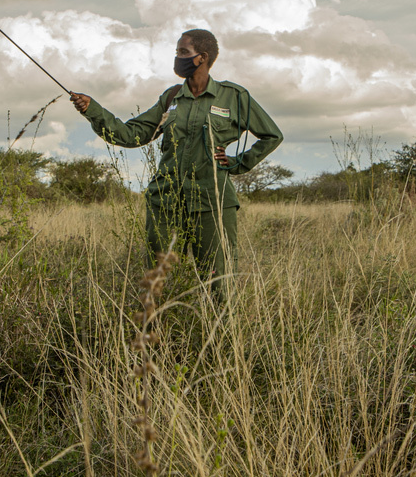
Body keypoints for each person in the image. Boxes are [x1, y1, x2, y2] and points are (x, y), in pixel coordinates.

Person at [69, 29, 282, 299]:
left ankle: (220, 339)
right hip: (165, 203)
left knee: (218, 281)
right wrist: (93, 110)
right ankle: (154, 335)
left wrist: (238, 162)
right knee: (157, 280)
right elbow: (131, 134)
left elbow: (272, 135)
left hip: (211, 202)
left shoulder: (234, 97)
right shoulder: (170, 98)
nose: (177, 57)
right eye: (177, 51)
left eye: (183, 52)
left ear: (202, 57)